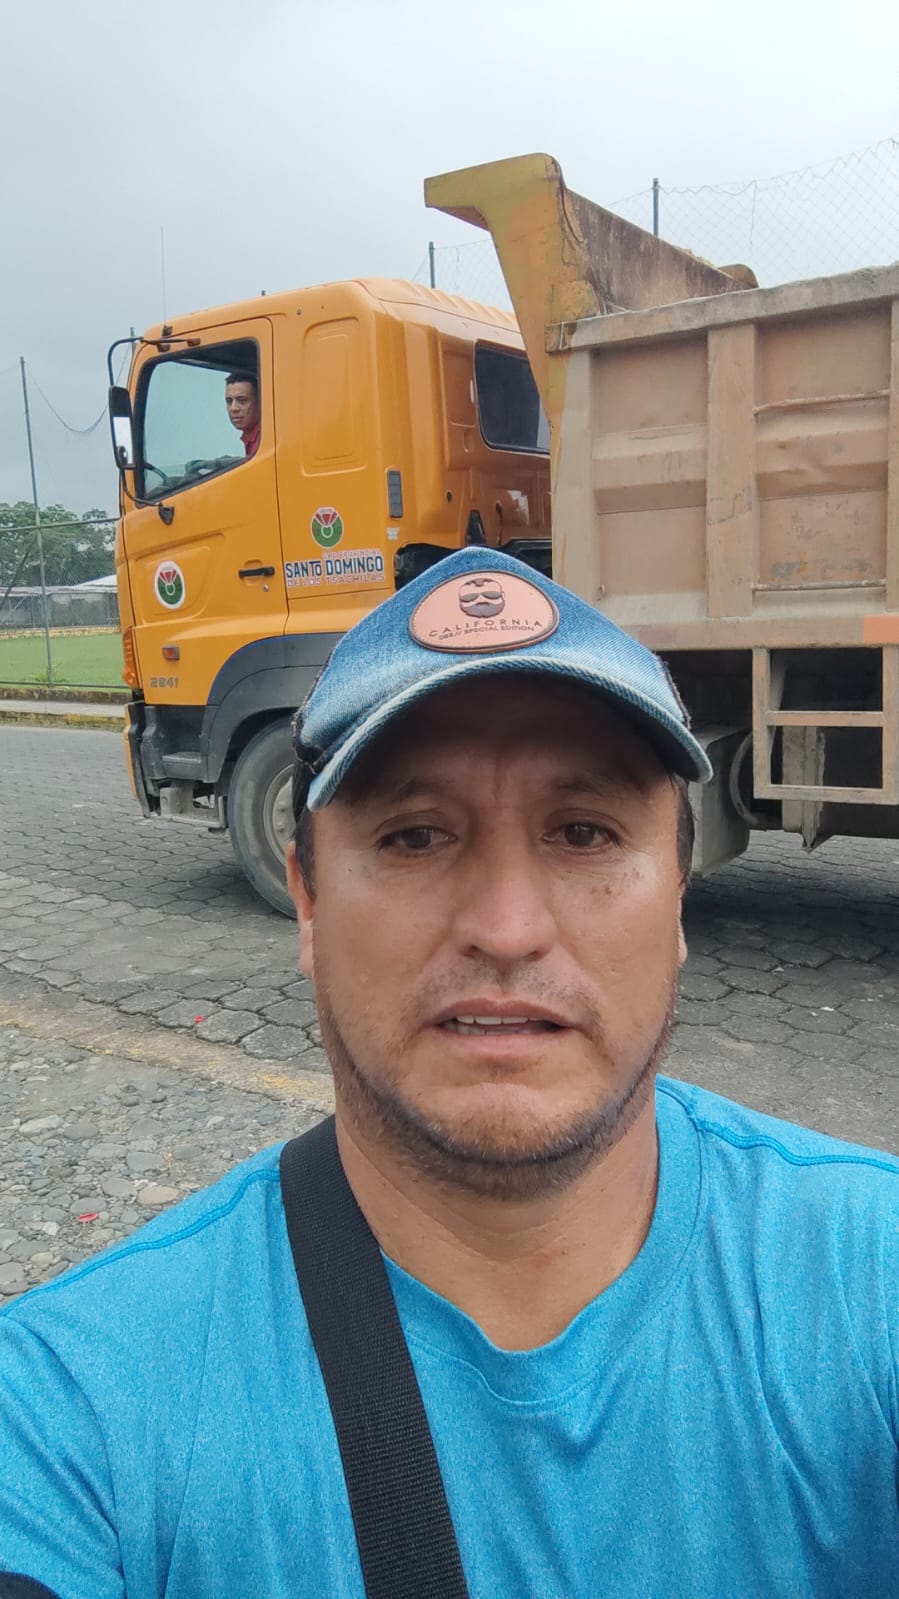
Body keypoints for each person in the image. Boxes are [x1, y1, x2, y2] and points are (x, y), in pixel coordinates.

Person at [1, 546, 897, 1598]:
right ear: (307, 900)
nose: (506, 929)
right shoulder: (75, 1404)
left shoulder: (867, 1280)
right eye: (415, 836)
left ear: (678, 899)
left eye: (583, 832)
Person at [224, 370, 260, 457]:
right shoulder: (250, 436)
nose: (233, 408)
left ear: (260, 402)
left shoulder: (267, 438)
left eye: (242, 400)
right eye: (229, 401)